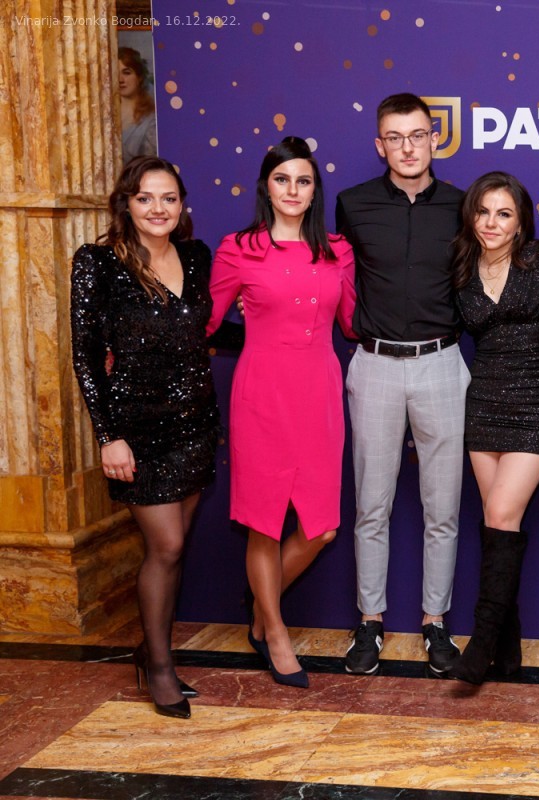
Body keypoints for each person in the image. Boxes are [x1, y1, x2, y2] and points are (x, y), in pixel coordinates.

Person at [71, 156, 221, 718]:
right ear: (127, 204)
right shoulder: (97, 263)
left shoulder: (196, 255)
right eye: (145, 198)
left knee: (174, 547)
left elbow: (202, 329)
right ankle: (158, 667)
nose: (158, 209)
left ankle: (151, 649)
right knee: (168, 546)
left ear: (182, 205)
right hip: (136, 430)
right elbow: (85, 356)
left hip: (196, 424)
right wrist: (108, 436)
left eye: (169, 198)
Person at [207, 137, 356, 689]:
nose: (293, 190)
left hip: (319, 394)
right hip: (262, 396)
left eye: (303, 181)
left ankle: (259, 604)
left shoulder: (337, 250)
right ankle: (274, 631)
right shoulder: (238, 248)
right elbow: (205, 321)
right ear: (266, 187)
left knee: (323, 529)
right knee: (263, 524)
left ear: (315, 191)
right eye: (282, 179)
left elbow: (352, 322)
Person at [336, 93, 469, 676]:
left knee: (443, 507)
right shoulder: (352, 203)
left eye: (418, 135)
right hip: (375, 365)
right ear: (379, 145)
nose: (408, 147)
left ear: (435, 139)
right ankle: (370, 623)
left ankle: (435, 623)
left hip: (442, 362)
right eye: (395, 137)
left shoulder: (464, 206)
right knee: (371, 505)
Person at [447, 172, 539, 684]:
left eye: (504, 213)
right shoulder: (460, 267)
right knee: (497, 524)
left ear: (521, 222)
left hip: (536, 404)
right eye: (483, 211)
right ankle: (507, 651)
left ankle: (481, 644)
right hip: (484, 403)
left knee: (501, 513)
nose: (492, 223)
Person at [117, 47, 157, 164]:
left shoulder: (151, 119)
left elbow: (150, 164)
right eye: (115, 73)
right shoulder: (104, 115)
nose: (120, 79)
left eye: (127, 73)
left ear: (139, 77)